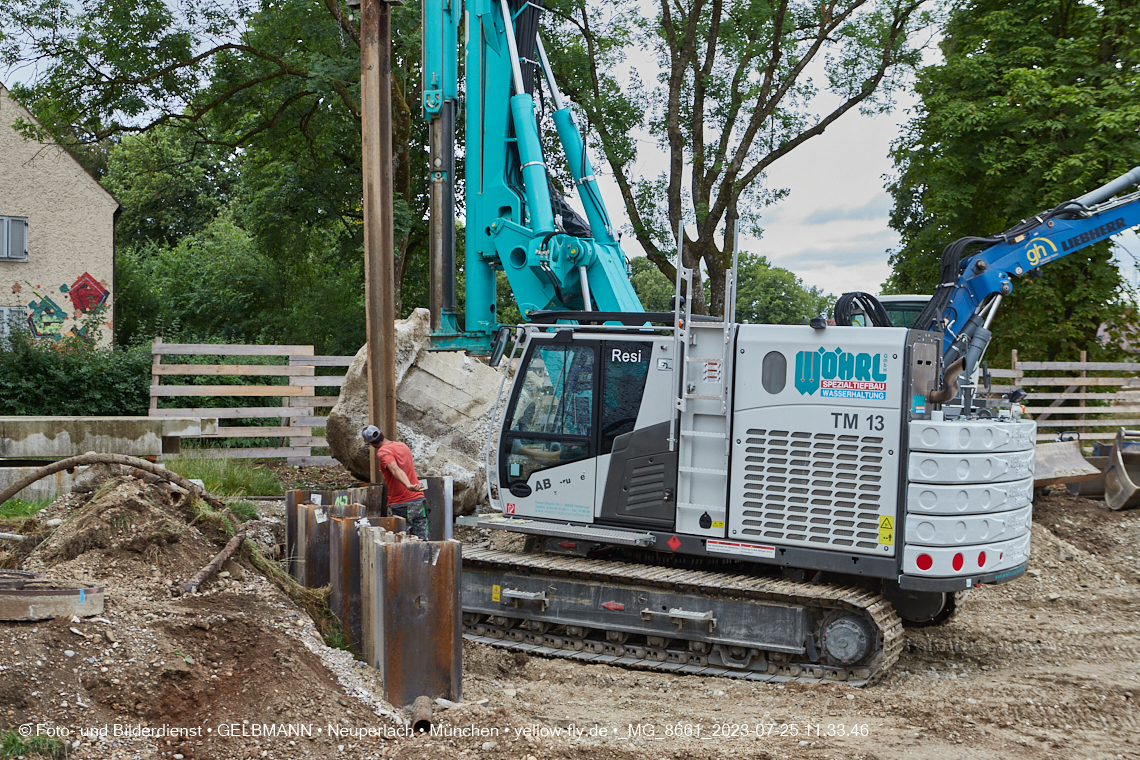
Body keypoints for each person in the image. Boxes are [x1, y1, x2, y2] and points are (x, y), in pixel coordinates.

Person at [361, 425, 428, 539]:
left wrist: (408, 485)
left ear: (370, 444)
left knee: (400, 542)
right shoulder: (402, 445)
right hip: (419, 500)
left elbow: (395, 469)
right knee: (422, 541)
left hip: (401, 503)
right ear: (381, 432)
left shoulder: (383, 452)